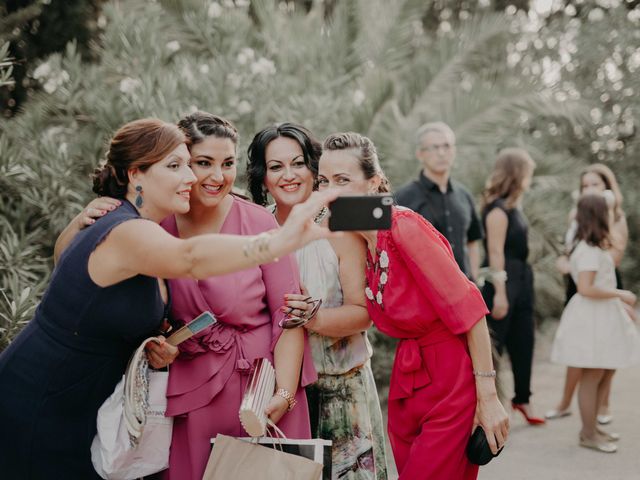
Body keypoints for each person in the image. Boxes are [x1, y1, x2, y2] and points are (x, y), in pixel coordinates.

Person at [0, 118, 336, 479]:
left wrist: (158, 344)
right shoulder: (130, 229)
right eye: (182, 166)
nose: (196, 177)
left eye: (226, 163)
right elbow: (188, 258)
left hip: (88, 397)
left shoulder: (140, 225)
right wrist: (278, 241)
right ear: (136, 174)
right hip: (45, 393)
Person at [317, 131, 509, 480]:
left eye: (342, 180)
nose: (329, 191)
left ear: (374, 183)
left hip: (451, 385)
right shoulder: (356, 237)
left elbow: (471, 310)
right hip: (407, 391)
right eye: (323, 180)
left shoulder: (403, 226)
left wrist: (489, 396)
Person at [247, 123, 388, 479]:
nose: (289, 175)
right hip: (275, 394)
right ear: (263, 177)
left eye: (298, 163)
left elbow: (364, 314)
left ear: (314, 169)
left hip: (340, 391)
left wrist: (315, 318)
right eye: (276, 167)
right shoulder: (252, 228)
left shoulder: (342, 225)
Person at [550, 193, 639, 453]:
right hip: (591, 317)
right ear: (600, 215)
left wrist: (617, 303)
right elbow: (586, 288)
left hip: (601, 314)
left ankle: (593, 429)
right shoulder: (588, 250)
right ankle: (588, 434)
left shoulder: (594, 246)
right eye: (609, 211)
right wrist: (620, 294)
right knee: (591, 375)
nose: (613, 215)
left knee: (602, 372)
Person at [547, 164, 630, 423]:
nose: (589, 189)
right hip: (582, 284)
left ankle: (601, 405)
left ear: (607, 186)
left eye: (595, 184)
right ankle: (567, 403)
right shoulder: (578, 217)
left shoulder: (615, 218)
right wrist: (566, 263)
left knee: (609, 347)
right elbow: (570, 250)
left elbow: (613, 256)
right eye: (585, 185)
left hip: (603, 281)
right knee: (580, 346)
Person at [480, 148, 544, 425]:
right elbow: (495, 253)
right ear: (517, 173)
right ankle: (486, 406)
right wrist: (501, 294)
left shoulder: (514, 207)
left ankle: (523, 399)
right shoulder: (497, 211)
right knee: (495, 347)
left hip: (522, 279)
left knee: (524, 342)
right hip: (503, 283)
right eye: (528, 172)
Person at [394, 121, 483, 279]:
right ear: (420, 154)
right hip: (423, 294)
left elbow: (472, 241)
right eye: (434, 147)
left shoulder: (465, 196)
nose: (442, 153)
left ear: (454, 150)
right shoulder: (402, 198)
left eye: (447, 146)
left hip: (464, 293)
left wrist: (473, 278)